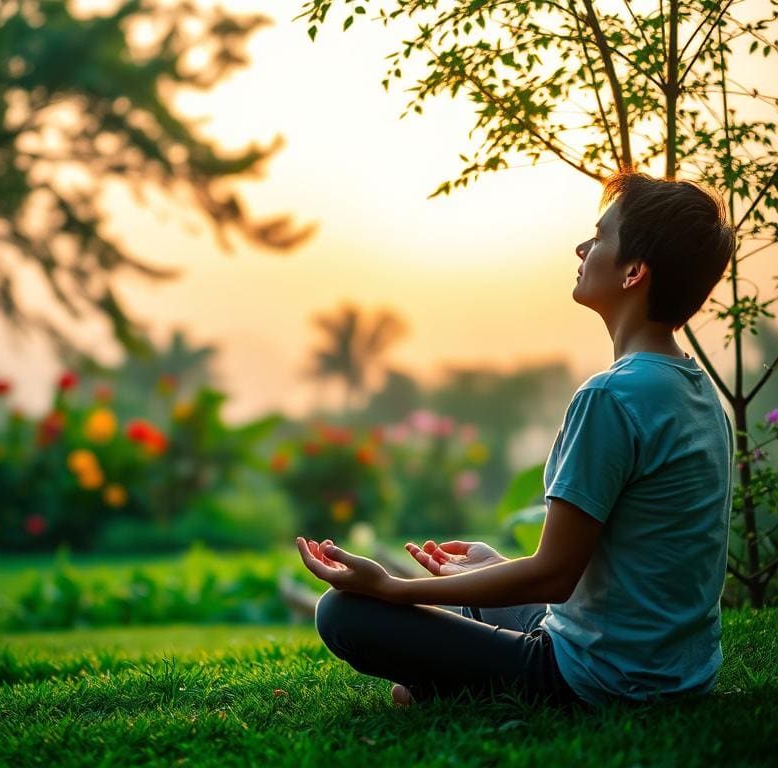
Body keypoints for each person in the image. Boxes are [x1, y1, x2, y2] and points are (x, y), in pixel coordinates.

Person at [296, 171, 736, 709]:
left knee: (342, 613)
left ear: (634, 272)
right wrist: (494, 565)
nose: (582, 247)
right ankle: (447, 680)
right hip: (675, 673)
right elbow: (585, 569)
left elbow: (552, 576)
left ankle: (450, 688)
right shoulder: (696, 391)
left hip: (598, 679)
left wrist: (392, 589)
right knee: (472, 601)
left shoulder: (611, 397)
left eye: (599, 237)